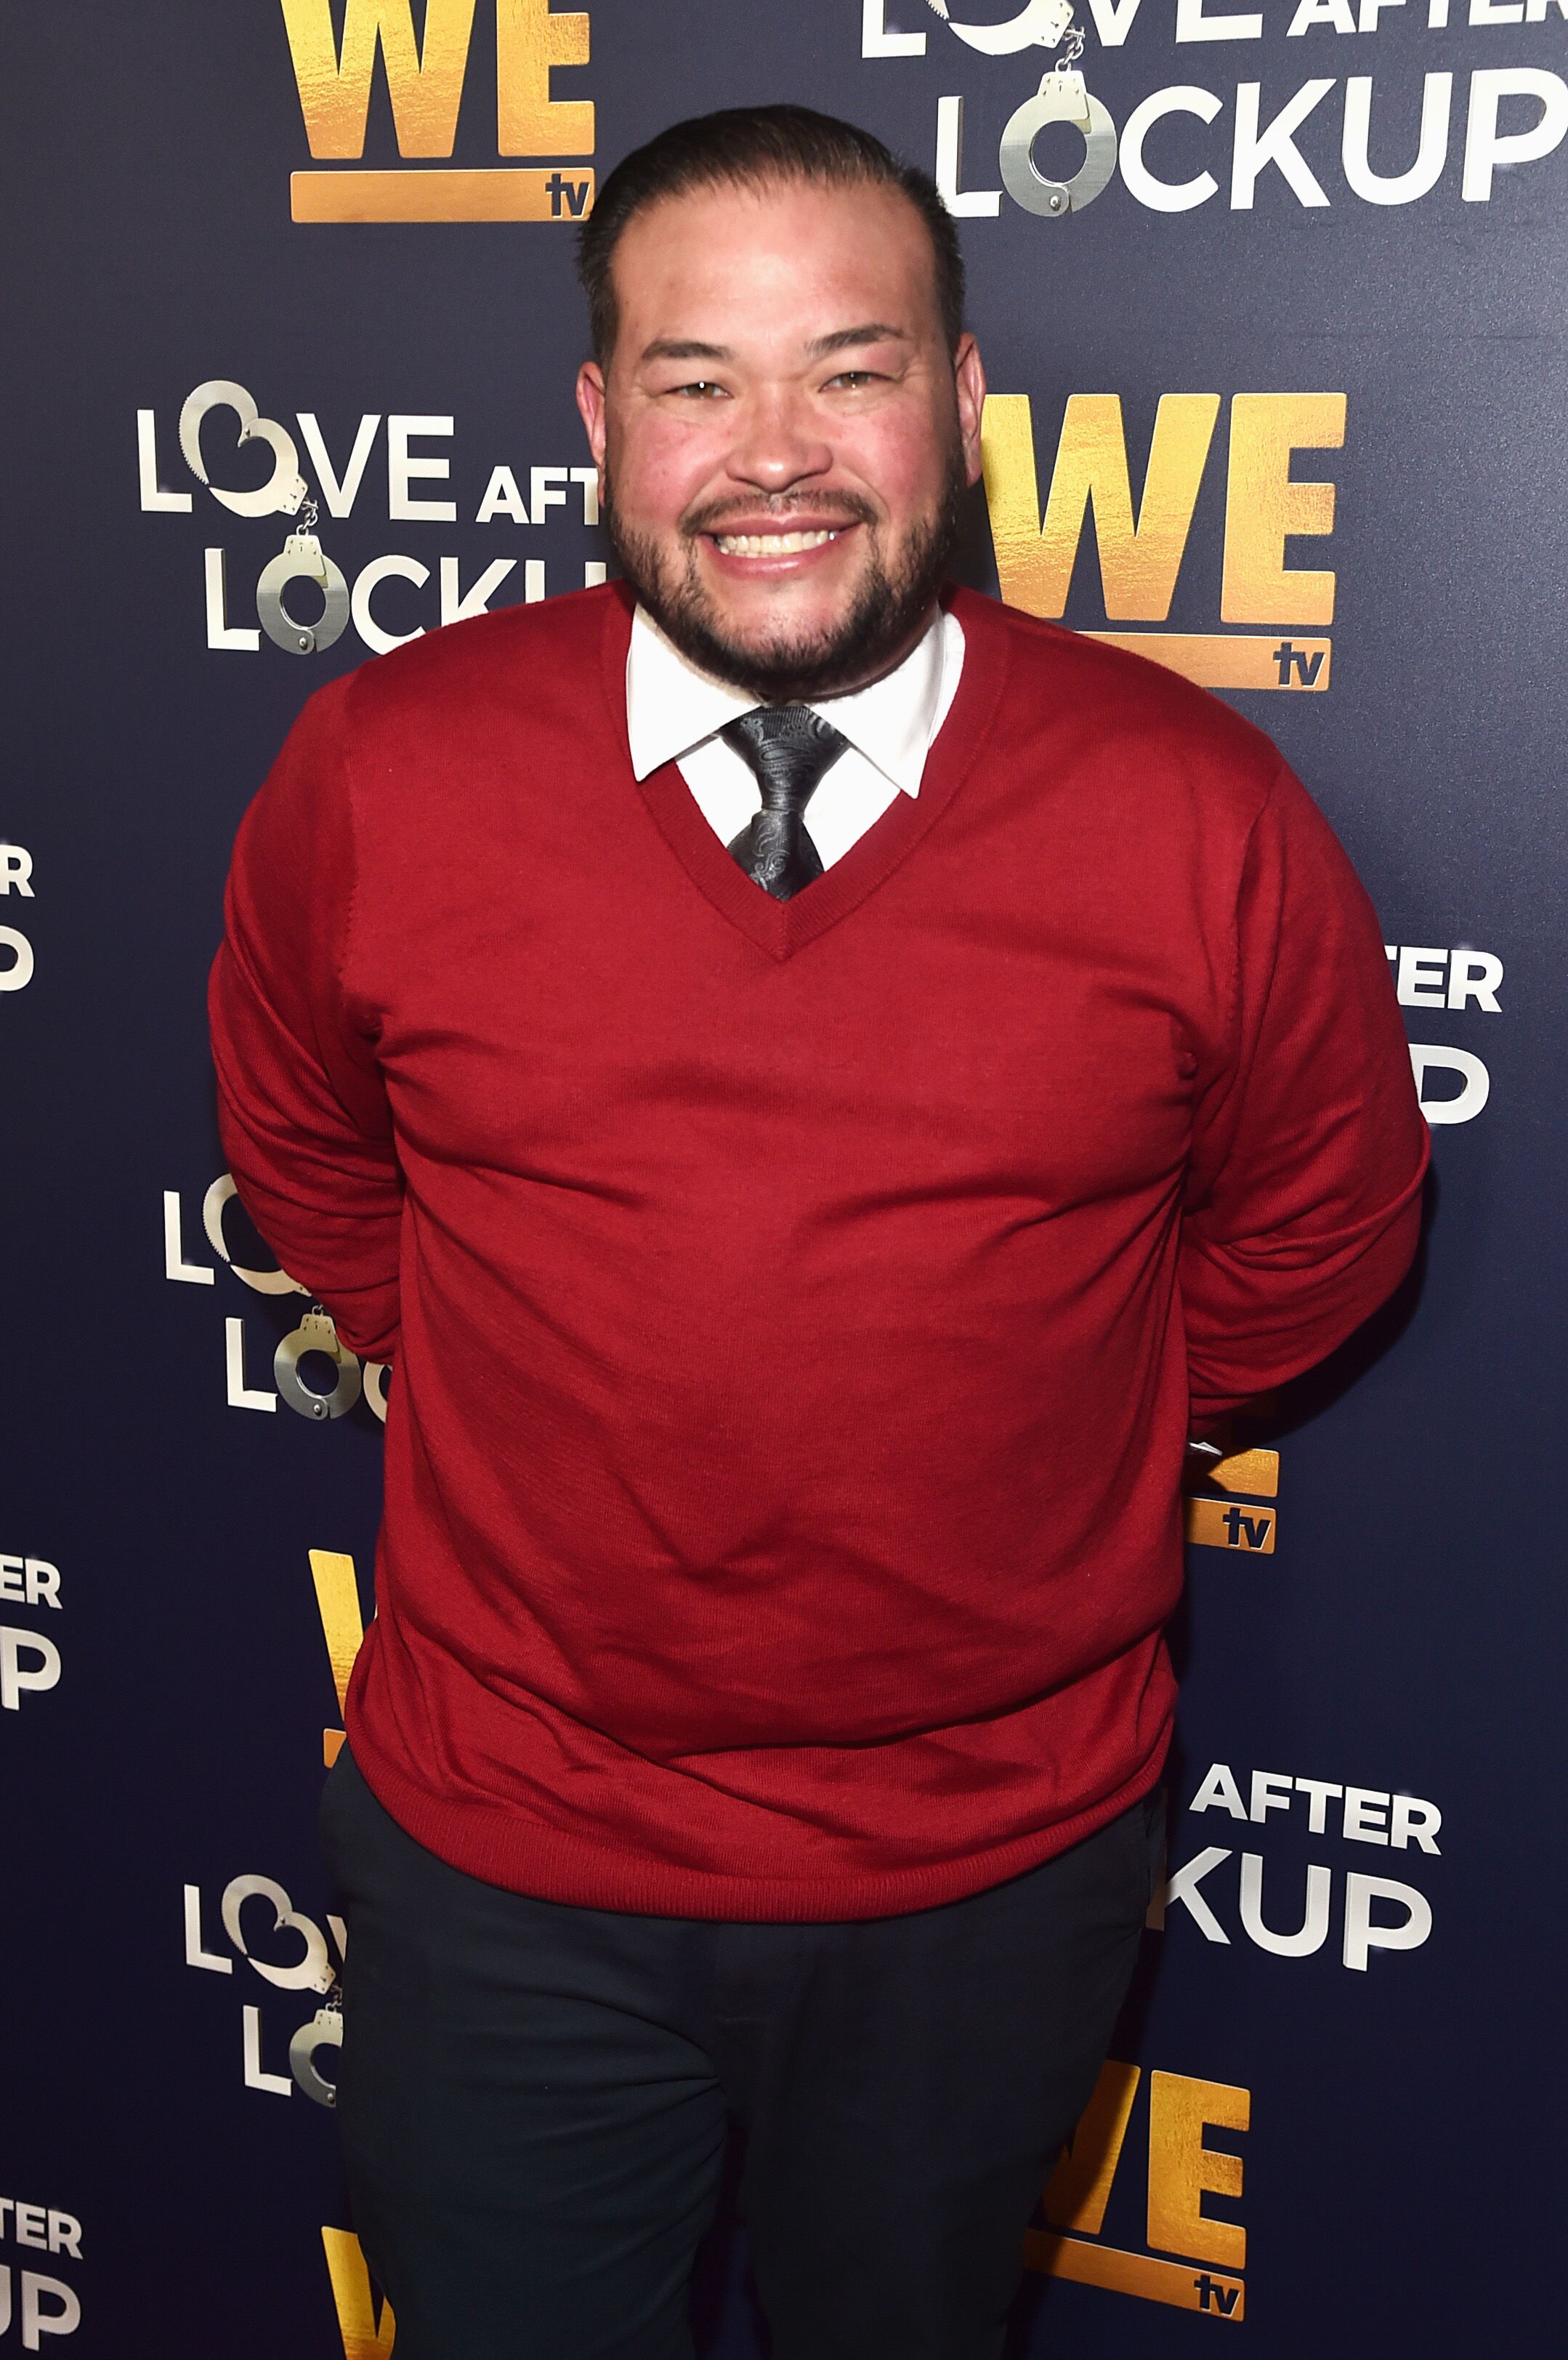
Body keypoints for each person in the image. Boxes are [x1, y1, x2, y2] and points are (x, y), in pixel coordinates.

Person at [209, 105, 1427, 2360]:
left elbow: (1319, 1237)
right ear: (601, 420)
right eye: (697, 382)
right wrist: (481, 1353)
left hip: (988, 1882)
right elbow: (303, 1136)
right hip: (505, 1869)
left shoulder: (1197, 810)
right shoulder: (384, 768)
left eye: (851, 368)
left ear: (963, 403)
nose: (777, 455)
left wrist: (1026, 1424)